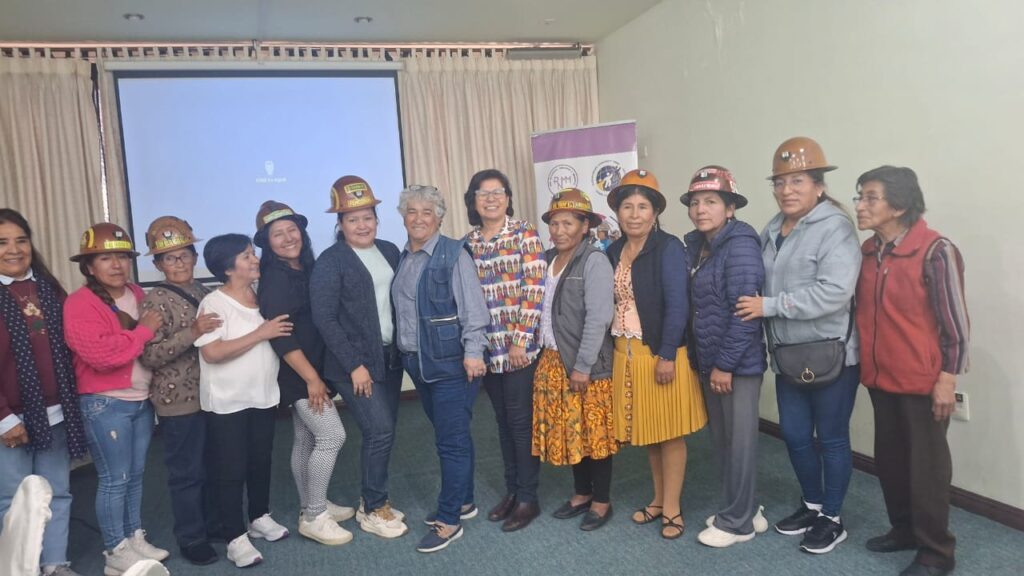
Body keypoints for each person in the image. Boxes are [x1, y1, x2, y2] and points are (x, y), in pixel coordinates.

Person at [736, 137, 862, 554]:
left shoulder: (836, 228)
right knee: (793, 434)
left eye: (798, 181)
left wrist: (770, 306)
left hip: (831, 353)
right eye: (780, 182)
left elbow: (834, 292)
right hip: (788, 355)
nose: (787, 189)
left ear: (819, 186)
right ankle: (812, 504)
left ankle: (833, 517)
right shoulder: (772, 228)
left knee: (831, 437)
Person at [854, 166, 967, 576]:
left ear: (899, 205)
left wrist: (947, 380)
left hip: (924, 383)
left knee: (927, 473)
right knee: (891, 462)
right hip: (882, 379)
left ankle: (937, 553)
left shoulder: (936, 250)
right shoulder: (869, 251)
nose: (860, 205)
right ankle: (903, 530)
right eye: (859, 196)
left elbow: (955, 323)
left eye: (870, 197)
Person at [606, 169, 707, 540]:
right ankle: (659, 499)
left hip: (660, 354)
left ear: (655, 212)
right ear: (618, 212)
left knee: (670, 434)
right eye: (627, 206)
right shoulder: (614, 250)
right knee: (647, 432)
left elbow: (678, 304)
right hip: (625, 352)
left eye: (642, 206)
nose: (634, 214)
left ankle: (674, 509)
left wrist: (667, 354)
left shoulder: (668, 247)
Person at [62, 223, 169, 575]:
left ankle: (133, 537)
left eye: (122, 256)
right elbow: (102, 356)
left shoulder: (138, 294)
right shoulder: (80, 303)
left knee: (136, 475)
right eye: (105, 257)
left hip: (140, 399)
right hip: (105, 403)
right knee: (114, 478)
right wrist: (144, 332)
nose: (116, 264)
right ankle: (115, 551)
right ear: (89, 267)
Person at [392, 184, 489, 553]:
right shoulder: (403, 256)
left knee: (449, 443)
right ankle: (464, 501)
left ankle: (450, 520)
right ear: (403, 217)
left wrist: (473, 353)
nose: (419, 218)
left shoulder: (453, 254)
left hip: (450, 364)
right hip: (417, 363)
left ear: (440, 219)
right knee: (455, 434)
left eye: (427, 212)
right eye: (412, 212)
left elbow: (473, 311)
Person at [311, 176, 409, 540]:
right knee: (379, 429)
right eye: (353, 219)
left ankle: (374, 499)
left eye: (367, 216)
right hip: (352, 365)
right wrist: (355, 365)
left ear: (377, 220)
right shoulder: (331, 261)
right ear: (340, 224)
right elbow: (325, 318)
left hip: (389, 359)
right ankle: (373, 506)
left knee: (384, 430)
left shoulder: (388, 250)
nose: (362, 225)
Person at [253, 201, 354, 547]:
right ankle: (314, 515)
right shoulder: (275, 280)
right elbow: (284, 336)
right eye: (277, 234)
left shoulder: (306, 268)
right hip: (299, 372)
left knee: (306, 439)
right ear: (267, 243)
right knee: (331, 436)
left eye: (291, 229)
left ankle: (312, 504)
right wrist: (311, 378)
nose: (287, 238)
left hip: (313, 368)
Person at [680, 167, 770, 548]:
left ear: (729, 207)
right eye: (696, 202)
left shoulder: (741, 245)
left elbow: (745, 312)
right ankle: (746, 510)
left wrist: (724, 365)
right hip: (711, 361)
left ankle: (737, 524)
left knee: (739, 444)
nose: (701, 209)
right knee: (726, 443)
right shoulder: (698, 244)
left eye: (711, 201)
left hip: (735, 365)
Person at [194, 234, 293, 568]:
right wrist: (260, 334)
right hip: (227, 402)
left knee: (260, 461)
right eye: (247, 256)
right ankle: (235, 537)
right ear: (227, 267)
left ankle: (259, 516)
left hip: (263, 396)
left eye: (254, 254)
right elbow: (213, 352)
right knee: (230, 470)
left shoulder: (260, 296)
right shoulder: (214, 304)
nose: (255, 260)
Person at [0, 209, 88, 576]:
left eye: (21, 239)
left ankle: (55, 563)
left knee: (57, 492)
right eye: (2, 242)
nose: (14, 249)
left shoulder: (49, 287)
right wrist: (4, 418)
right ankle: (20, 567)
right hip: (11, 419)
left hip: (56, 410)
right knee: (14, 499)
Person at [463, 169, 546, 532]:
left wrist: (519, 340)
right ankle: (512, 491)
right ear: (473, 201)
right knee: (501, 423)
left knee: (520, 424)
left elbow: (535, 288)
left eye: (497, 192)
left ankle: (529, 497)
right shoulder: (468, 243)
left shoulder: (525, 233)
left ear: (508, 198)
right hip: (488, 351)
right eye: (483, 193)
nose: (491, 199)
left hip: (518, 351)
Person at [531, 188, 618, 531]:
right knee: (572, 431)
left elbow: (599, 317)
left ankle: (601, 500)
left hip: (584, 364)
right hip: (552, 361)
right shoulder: (547, 258)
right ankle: (581, 493)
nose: (559, 229)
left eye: (568, 222)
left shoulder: (593, 260)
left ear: (585, 226)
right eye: (554, 222)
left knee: (595, 435)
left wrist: (583, 365)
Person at [138, 216, 221, 565]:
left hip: (211, 394)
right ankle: (191, 537)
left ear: (195, 256)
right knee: (186, 472)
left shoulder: (203, 291)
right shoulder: (154, 300)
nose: (179, 263)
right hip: (177, 401)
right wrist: (194, 332)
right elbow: (150, 355)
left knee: (212, 465)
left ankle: (212, 524)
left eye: (185, 254)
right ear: (158, 264)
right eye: (169, 258)